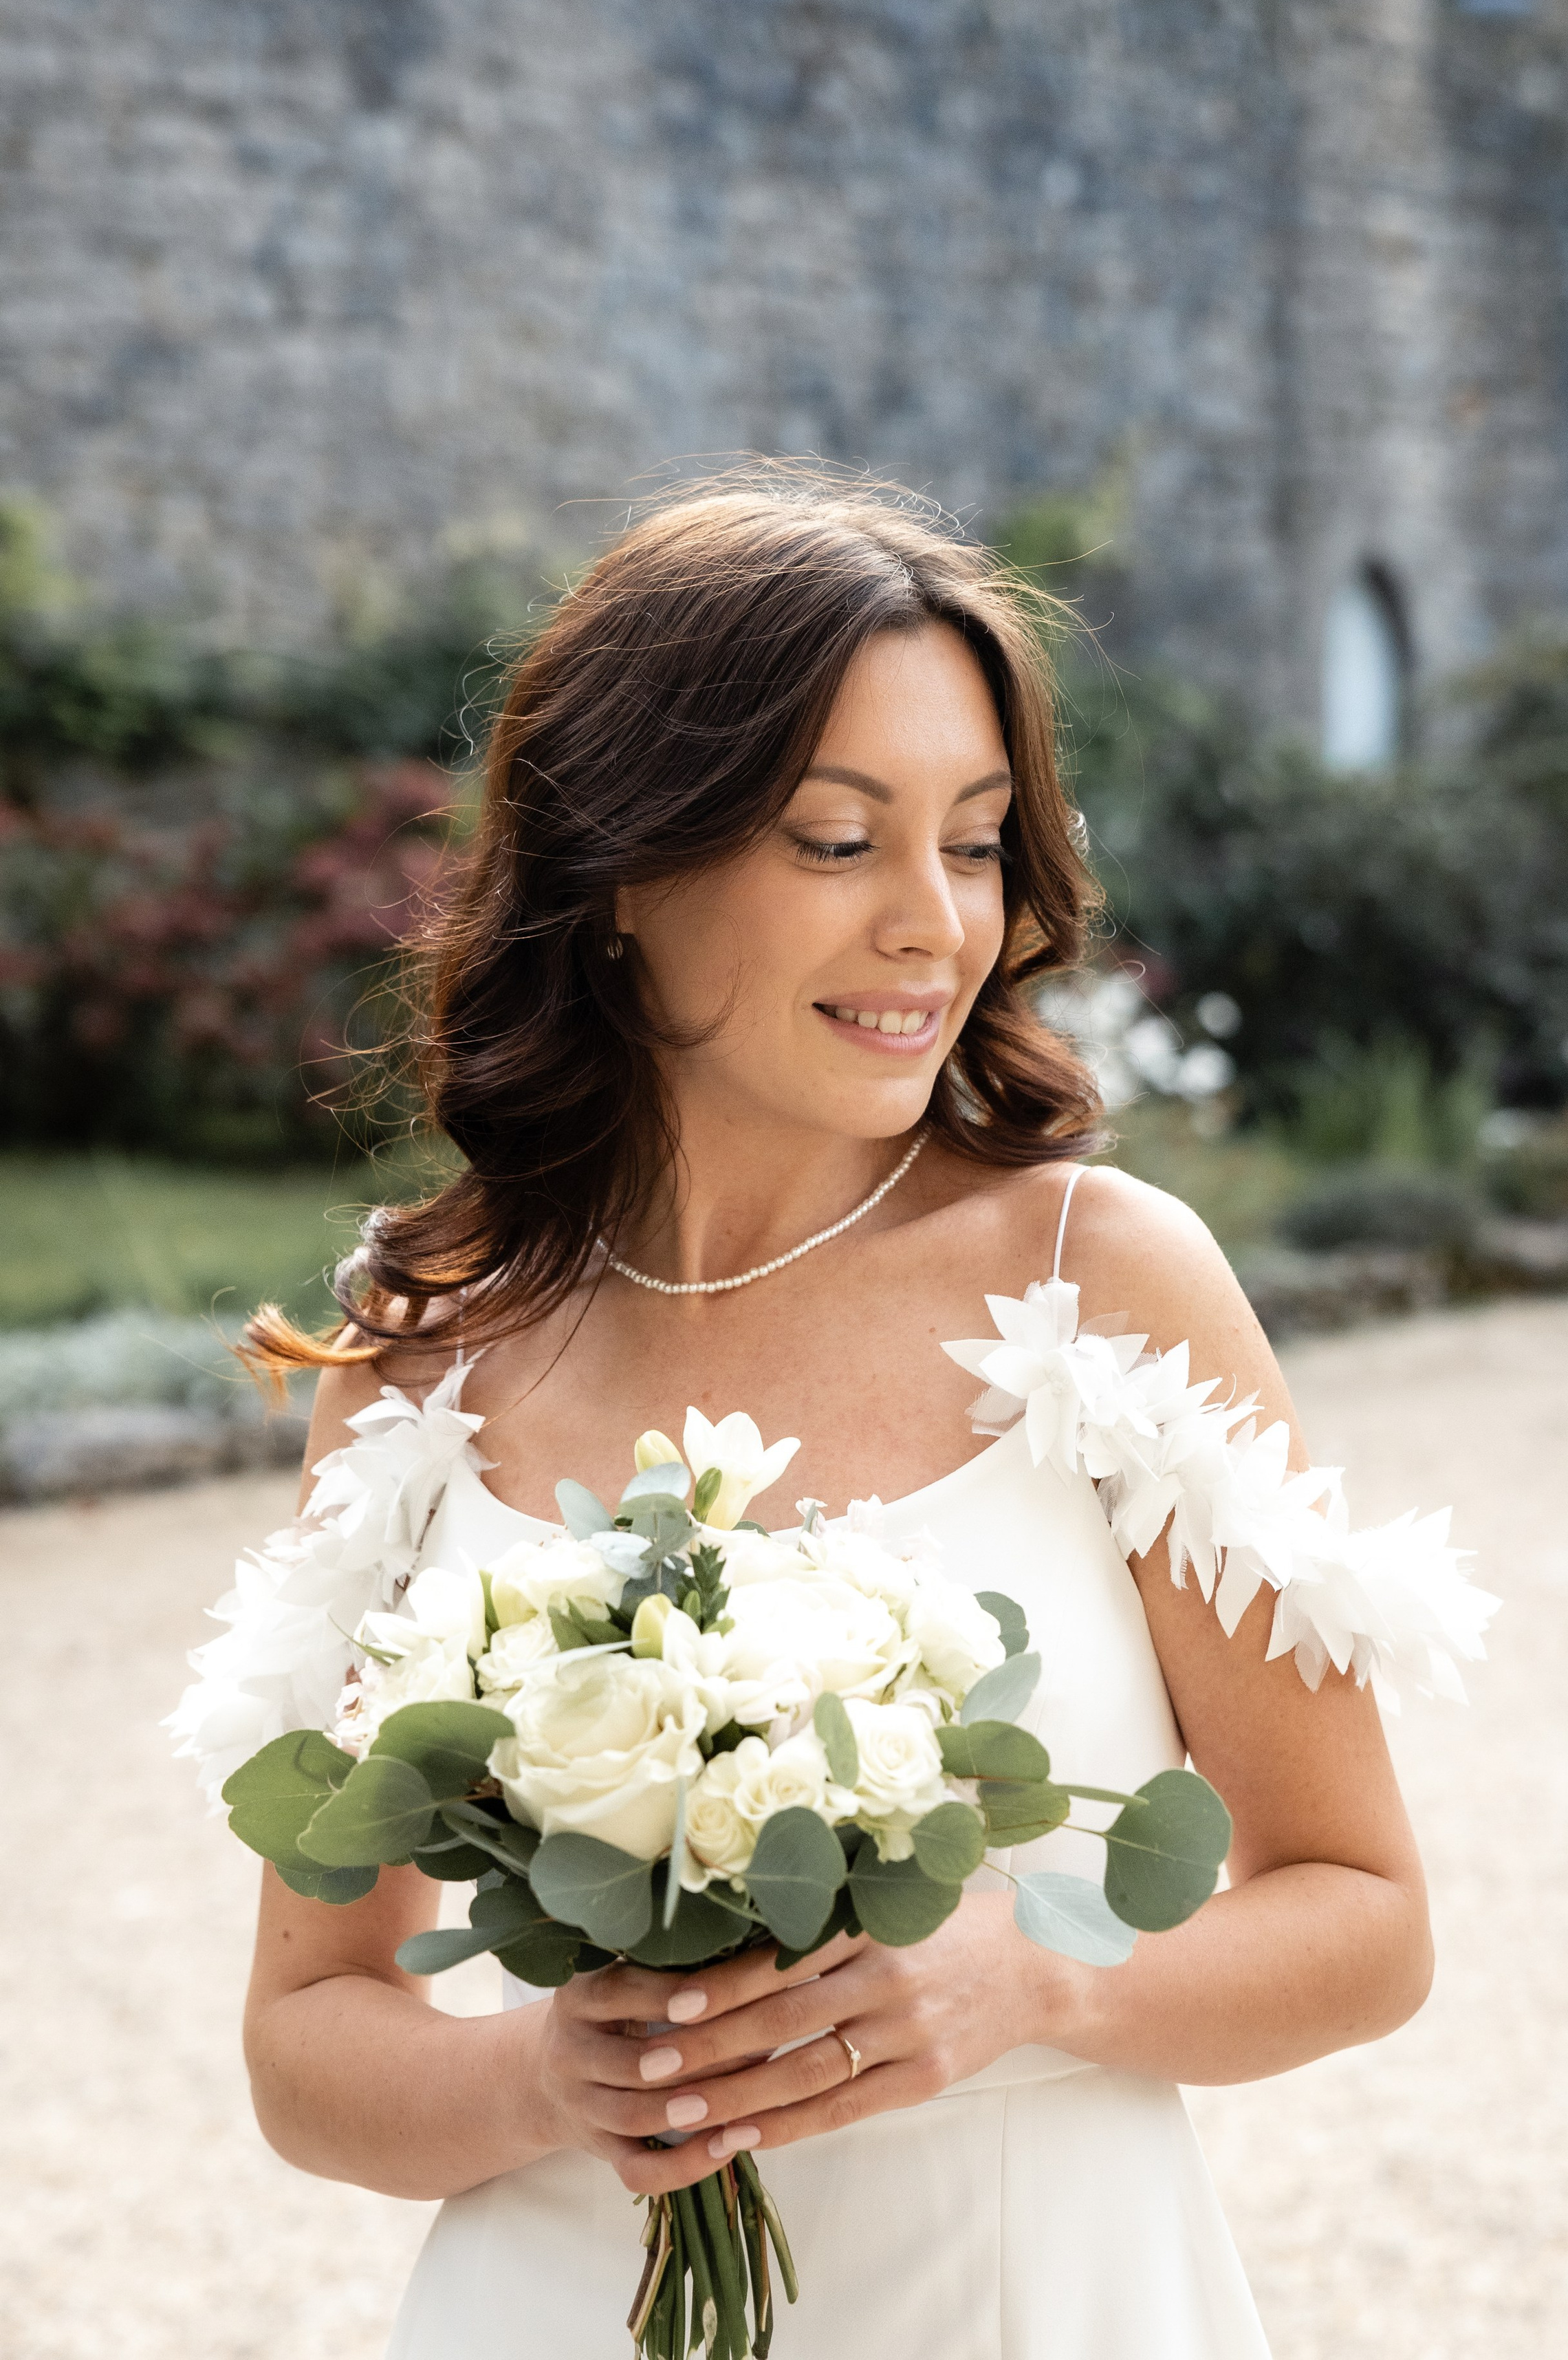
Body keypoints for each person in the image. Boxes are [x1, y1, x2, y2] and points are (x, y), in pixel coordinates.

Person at [238, 477, 1435, 2357]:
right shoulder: (424, 1352)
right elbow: (309, 2037)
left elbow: (1365, 1916)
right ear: (620, 870)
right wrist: (540, 2080)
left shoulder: (1105, 1285)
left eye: (975, 843)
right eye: (835, 840)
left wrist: (1039, 1984)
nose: (932, 925)